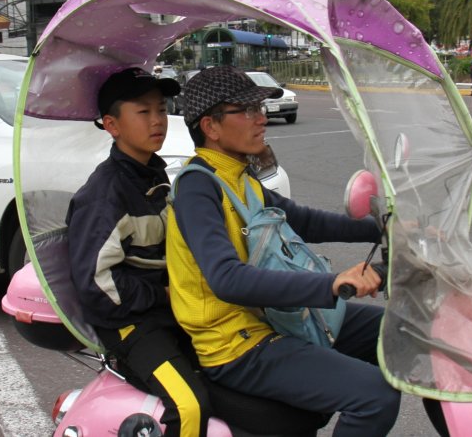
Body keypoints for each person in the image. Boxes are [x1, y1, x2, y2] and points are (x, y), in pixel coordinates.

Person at [165, 65, 401, 436]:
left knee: (400, 330)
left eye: (260, 109)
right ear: (210, 126)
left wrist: (387, 227)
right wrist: (331, 284)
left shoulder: (240, 177)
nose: (261, 119)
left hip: (274, 319)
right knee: (375, 395)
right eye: (246, 111)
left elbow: (304, 220)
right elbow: (227, 280)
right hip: (236, 344)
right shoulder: (198, 188)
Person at [65, 67, 212, 437]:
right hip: (132, 326)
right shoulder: (104, 195)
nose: (158, 120)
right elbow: (97, 286)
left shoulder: (153, 174)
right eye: (143, 112)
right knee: (189, 405)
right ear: (112, 124)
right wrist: (162, 294)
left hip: (171, 309)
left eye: (161, 110)